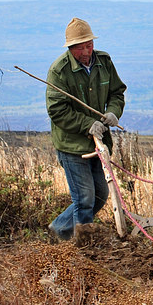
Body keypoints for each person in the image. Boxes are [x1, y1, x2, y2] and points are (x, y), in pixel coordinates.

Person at [46, 18, 127, 241]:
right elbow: (57, 110)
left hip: (98, 143)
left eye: (88, 45)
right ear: (70, 48)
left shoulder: (104, 62)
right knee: (84, 199)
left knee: (100, 194)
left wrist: (113, 112)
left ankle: (60, 230)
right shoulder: (59, 71)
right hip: (72, 146)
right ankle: (85, 248)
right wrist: (86, 125)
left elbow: (117, 92)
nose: (85, 51)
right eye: (80, 47)